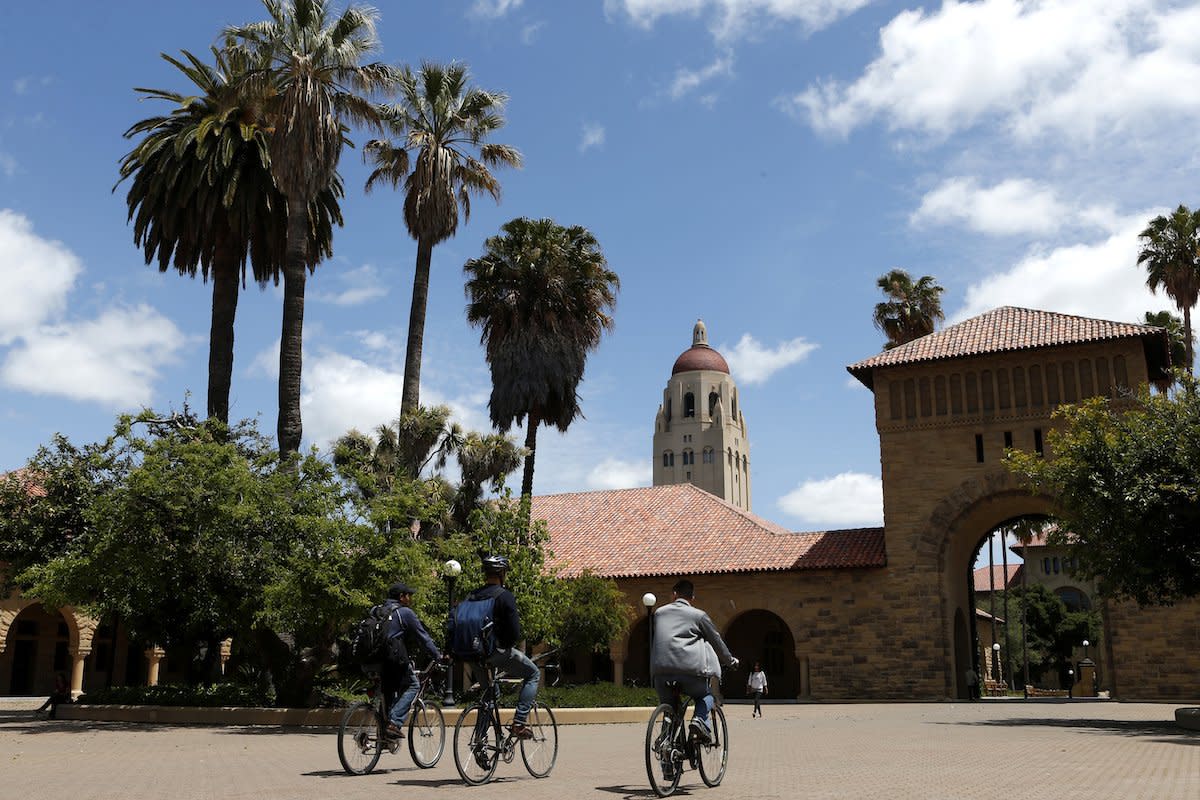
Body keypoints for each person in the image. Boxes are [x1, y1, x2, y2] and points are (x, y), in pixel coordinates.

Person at [458, 554, 540, 740]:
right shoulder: (504, 596)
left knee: (489, 694)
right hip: (495, 652)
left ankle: (480, 741)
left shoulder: (471, 596)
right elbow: (514, 633)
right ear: (503, 573)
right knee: (533, 674)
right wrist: (506, 646)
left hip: (472, 654)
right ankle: (519, 723)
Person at [650, 579, 738, 745]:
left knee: (670, 710)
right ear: (692, 598)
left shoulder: (659, 613)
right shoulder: (698, 615)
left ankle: (666, 749)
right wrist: (730, 661)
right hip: (690, 673)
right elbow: (716, 641)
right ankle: (699, 721)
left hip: (660, 673)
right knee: (706, 695)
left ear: (674, 594)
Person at [381, 581, 442, 740]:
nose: (411, 598)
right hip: (393, 659)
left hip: (371, 660)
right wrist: (438, 656)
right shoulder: (404, 613)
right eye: (409, 595)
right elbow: (423, 638)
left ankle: (384, 730)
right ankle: (393, 723)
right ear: (402, 597)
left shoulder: (377, 610)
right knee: (413, 685)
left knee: (389, 689)